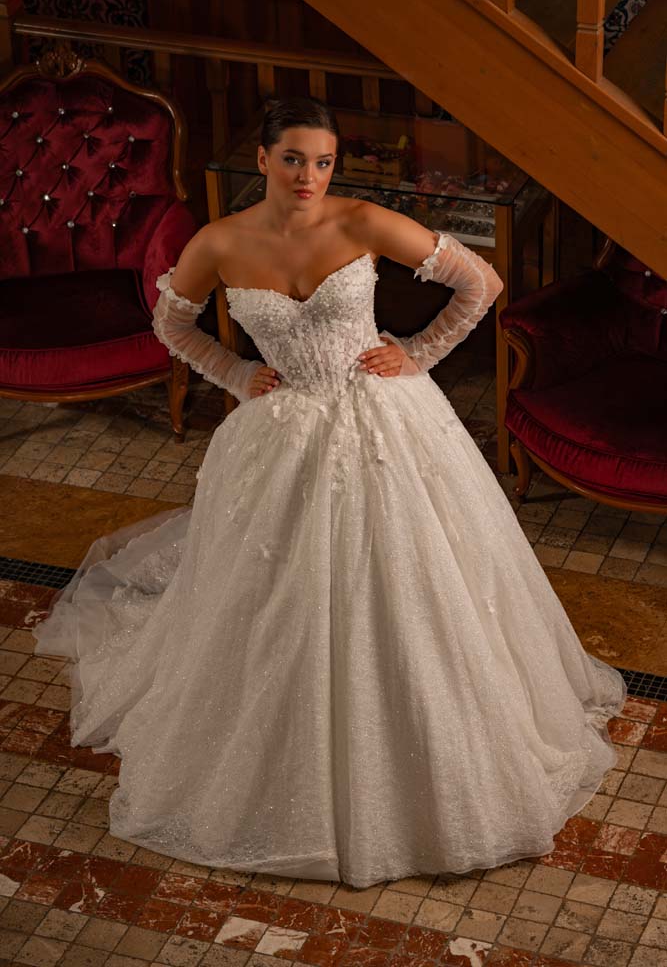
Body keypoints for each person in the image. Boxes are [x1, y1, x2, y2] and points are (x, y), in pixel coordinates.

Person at [31, 95, 627, 891]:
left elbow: (480, 282)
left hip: (384, 421)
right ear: (262, 161)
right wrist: (235, 372)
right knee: (278, 589)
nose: (308, 176)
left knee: (412, 580)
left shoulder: (361, 221)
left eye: (322, 162)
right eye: (292, 160)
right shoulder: (220, 241)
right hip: (282, 430)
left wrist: (418, 352)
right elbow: (171, 325)